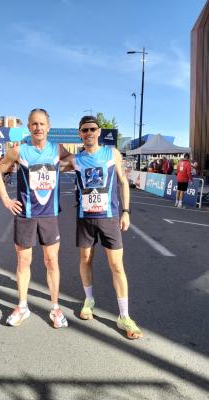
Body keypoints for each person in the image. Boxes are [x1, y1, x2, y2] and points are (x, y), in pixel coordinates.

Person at [61, 115, 143, 340]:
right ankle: (89, 300)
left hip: (109, 218)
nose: (89, 133)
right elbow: (48, 169)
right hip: (85, 218)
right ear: (80, 133)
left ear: (98, 132)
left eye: (92, 129)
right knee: (85, 259)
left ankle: (124, 316)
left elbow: (124, 182)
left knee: (117, 265)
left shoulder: (112, 153)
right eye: (85, 130)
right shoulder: (75, 160)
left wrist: (126, 212)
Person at [0, 108, 70, 329]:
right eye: (34, 124)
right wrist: (6, 200)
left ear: (48, 127)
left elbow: (76, 161)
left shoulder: (57, 149)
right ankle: (23, 306)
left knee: (51, 262)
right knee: (23, 261)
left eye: (42, 124)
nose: (38, 127)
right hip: (25, 215)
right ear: (28, 127)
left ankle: (55, 308)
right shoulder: (18, 151)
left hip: (49, 215)